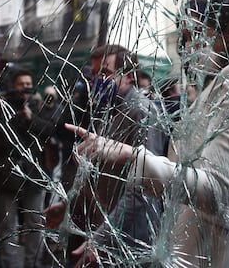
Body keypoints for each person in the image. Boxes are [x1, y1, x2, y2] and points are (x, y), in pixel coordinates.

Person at [64, 0, 229, 267]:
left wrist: (130, 156)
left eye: (194, 36)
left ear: (227, 31)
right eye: (184, 40)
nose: (187, 49)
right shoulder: (214, 90)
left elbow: (216, 188)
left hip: (228, 254)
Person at [44, 45, 167, 267]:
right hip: (106, 231)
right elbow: (93, 175)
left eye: (104, 73)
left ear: (129, 77)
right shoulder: (107, 111)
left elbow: (144, 187)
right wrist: (67, 206)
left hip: (131, 238)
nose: (95, 81)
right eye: (93, 74)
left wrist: (103, 238)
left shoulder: (141, 112)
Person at [0, 69, 54, 268]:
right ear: (13, 87)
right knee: (8, 228)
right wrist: (15, 118)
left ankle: (33, 264)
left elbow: (49, 130)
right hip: (9, 177)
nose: (26, 87)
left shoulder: (38, 106)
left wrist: (30, 119)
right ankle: (9, 264)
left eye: (29, 83)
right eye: (21, 84)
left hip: (34, 177)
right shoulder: (1, 108)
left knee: (35, 225)